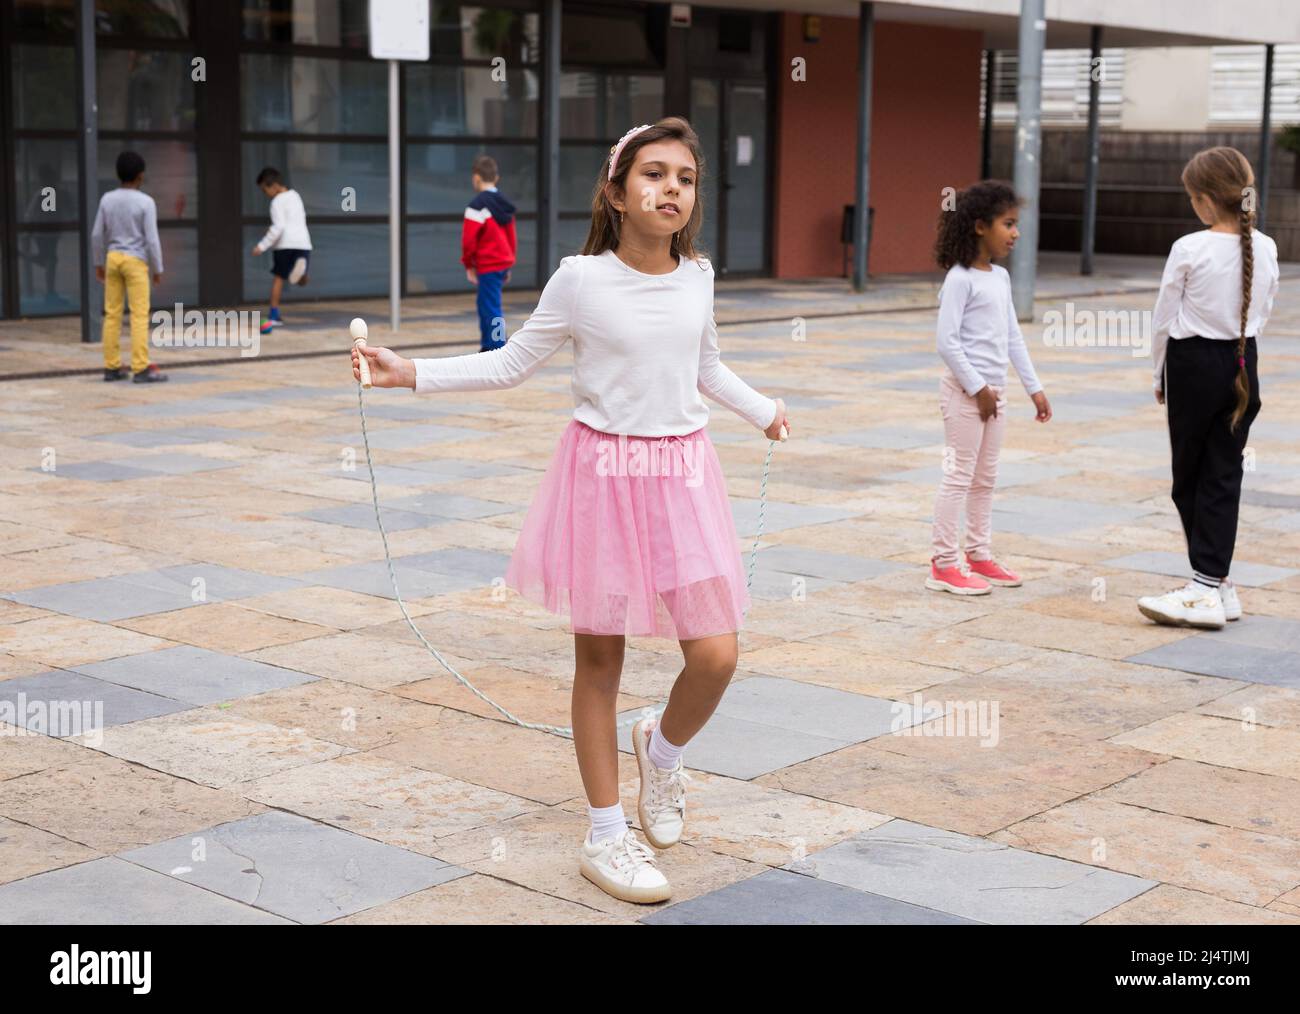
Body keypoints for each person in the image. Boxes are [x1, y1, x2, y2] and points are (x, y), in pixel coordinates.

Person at [352, 118, 790, 904]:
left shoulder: (699, 277)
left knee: (717, 655)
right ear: (617, 193)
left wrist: (762, 409)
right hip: (602, 478)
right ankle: (606, 836)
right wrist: (408, 372)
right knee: (600, 663)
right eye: (654, 174)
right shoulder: (580, 279)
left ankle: (659, 752)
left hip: (684, 477)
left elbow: (707, 367)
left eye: (685, 178)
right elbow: (513, 364)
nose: (671, 190)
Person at [1138, 146, 1279, 630]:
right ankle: (1218, 583)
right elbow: (1265, 309)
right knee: (1224, 473)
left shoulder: (1189, 247)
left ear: (1202, 200)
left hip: (1193, 364)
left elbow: (1163, 319)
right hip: (1244, 358)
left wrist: (1159, 374)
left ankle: (1203, 587)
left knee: (1190, 477)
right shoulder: (1266, 246)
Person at [927, 180, 1051, 595]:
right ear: (980, 226)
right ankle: (944, 564)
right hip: (966, 396)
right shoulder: (960, 279)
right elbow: (947, 342)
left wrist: (1034, 387)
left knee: (986, 478)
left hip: (994, 395)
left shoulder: (999, 277)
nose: (1016, 233)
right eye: (1009, 224)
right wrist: (977, 388)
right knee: (958, 476)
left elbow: (1013, 336)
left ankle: (979, 554)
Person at [92, 150, 167, 383]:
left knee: (112, 314)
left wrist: (98, 263)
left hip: (113, 258)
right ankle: (140, 367)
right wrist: (158, 269)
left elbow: (96, 235)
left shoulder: (107, 199)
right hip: (135, 262)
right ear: (140, 176)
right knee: (138, 315)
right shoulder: (146, 202)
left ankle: (112, 366)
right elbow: (152, 239)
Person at [462, 155, 517, 352]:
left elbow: (469, 241)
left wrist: (469, 264)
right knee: (487, 304)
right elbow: (511, 237)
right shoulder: (504, 204)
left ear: (476, 178)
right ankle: (489, 343)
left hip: (487, 265)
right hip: (502, 263)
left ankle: (497, 345)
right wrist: (509, 263)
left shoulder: (476, 206)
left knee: (491, 307)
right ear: (496, 178)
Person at [250, 166, 311, 336]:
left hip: (285, 244)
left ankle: (274, 314)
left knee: (279, 278)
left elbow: (279, 227)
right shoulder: (295, 195)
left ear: (273, 185)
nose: (265, 193)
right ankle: (302, 272)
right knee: (300, 279)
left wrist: (261, 246)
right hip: (303, 242)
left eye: (264, 189)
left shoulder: (276, 202)